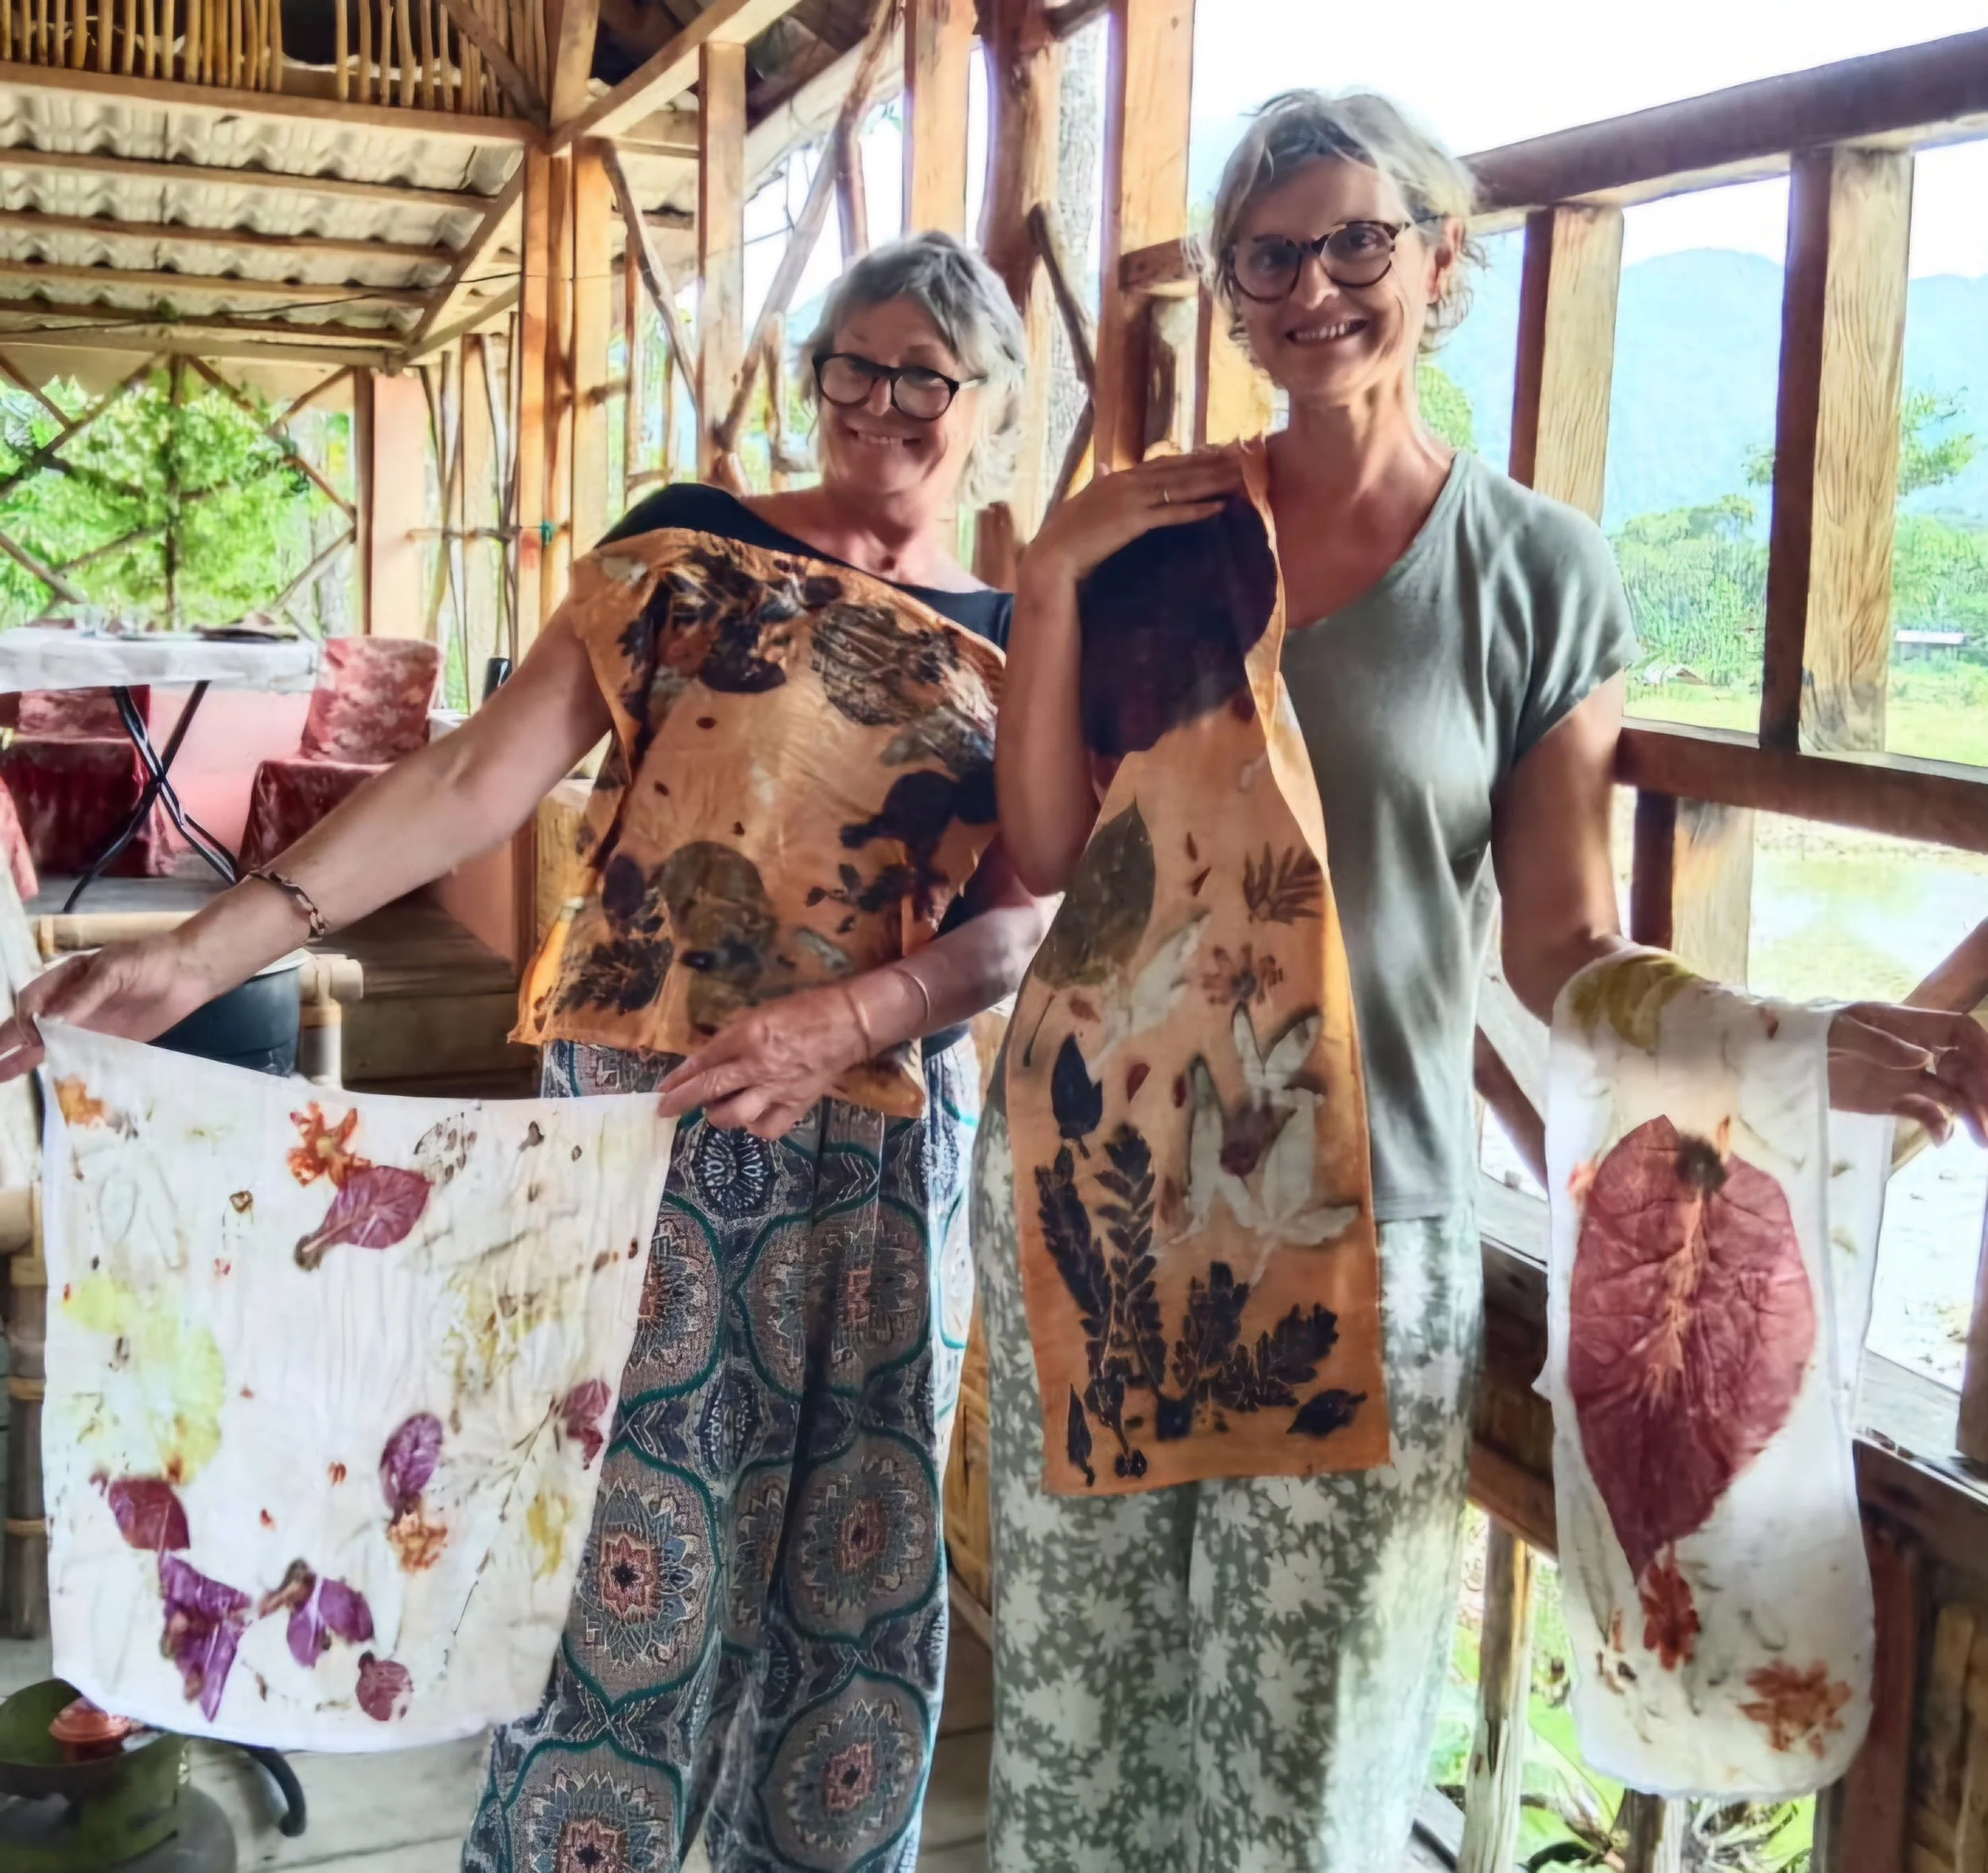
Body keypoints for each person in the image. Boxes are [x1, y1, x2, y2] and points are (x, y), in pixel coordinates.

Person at [977, 90, 1988, 1873]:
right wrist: (1050, 582)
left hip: (1363, 1223)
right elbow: (1053, 856)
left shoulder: (1532, 571)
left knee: (1307, 1766)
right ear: (1227, 294)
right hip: (1100, 1202)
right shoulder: (1149, 542)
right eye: (1267, 257)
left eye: (1356, 241)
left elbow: (1558, 941)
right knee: (1078, 1736)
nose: (1313, 287)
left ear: (1440, 263)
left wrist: (1778, 1043)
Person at [0, 231, 1051, 1873]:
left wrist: (853, 1013)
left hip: (885, 1142)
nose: (886, 402)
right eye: (855, 363)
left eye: (928, 373)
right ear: (814, 379)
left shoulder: (1021, 634)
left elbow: (1022, 919)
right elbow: (474, 778)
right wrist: (196, 952)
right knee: (609, 1544)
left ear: (987, 400)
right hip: (648, 1127)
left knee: (856, 1581)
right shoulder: (685, 549)